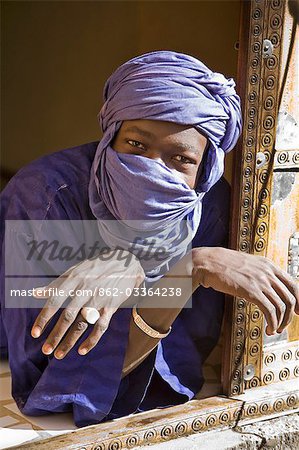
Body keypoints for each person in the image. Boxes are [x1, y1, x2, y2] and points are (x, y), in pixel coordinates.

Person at [0, 51, 298, 428]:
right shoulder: (45, 194)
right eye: (137, 146)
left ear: (204, 168)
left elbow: (166, 366)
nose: (152, 173)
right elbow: (50, 387)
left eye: (180, 160)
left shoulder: (211, 207)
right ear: (110, 135)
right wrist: (157, 267)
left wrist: (187, 268)